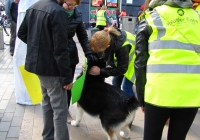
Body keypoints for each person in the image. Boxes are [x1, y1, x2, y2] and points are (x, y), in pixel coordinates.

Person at [134, 0, 200, 140]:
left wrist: (141, 98)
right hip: (191, 94)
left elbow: (140, 62)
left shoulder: (151, 17)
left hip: (159, 92)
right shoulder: (197, 17)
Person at [17, 0, 73, 139]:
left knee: (47, 104)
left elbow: (22, 33)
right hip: (52, 69)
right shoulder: (58, 12)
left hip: (39, 66)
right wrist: (67, 78)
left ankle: (47, 137)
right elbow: (61, 49)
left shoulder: (33, 7)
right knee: (60, 110)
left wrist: (38, 47)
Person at [62, 0, 98, 122]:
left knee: (67, 84)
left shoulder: (77, 14)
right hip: (53, 54)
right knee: (54, 85)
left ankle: (65, 110)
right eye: (69, 4)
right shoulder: (54, 10)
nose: (71, 7)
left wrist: (88, 52)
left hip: (69, 54)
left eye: (74, 5)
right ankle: (54, 110)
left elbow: (82, 36)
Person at [89, 26, 136, 98]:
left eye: (101, 51)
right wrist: (87, 64)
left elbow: (122, 69)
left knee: (126, 87)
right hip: (123, 61)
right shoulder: (105, 38)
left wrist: (100, 71)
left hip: (134, 63)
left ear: (107, 46)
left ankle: (130, 107)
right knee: (115, 83)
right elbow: (98, 54)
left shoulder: (122, 47)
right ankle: (118, 102)